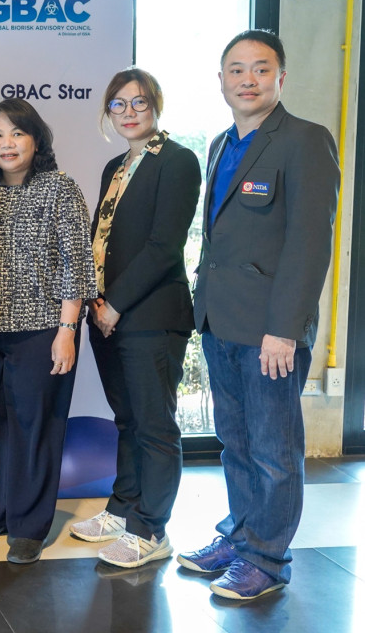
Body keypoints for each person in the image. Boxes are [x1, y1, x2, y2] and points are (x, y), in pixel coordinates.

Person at [177, 30, 339, 599]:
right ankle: (240, 536)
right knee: (236, 442)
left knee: (274, 451)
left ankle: (267, 560)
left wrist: (285, 330)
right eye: (237, 70)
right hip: (220, 321)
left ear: (280, 78)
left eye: (261, 69)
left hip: (271, 330)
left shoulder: (305, 140)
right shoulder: (221, 143)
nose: (248, 80)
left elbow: (309, 245)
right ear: (221, 81)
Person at [68, 69, 201, 568]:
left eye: (139, 102)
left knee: (154, 426)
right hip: (107, 313)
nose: (128, 112)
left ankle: (151, 529)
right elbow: (103, 240)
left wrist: (116, 304)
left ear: (156, 105)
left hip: (150, 315)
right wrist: (96, 302)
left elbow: (163, 246)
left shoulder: (177, 161)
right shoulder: (116, 166)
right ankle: (123, 510)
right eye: (118, 104)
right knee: (126, 419)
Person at [0, 98, 98, 564]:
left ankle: (29, 524)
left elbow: (77, 262)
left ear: (36, 140)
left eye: (17, 133)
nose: (7, 144)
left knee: (36, 425)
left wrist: (68, 329)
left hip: (44, 329)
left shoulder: (59, 188)